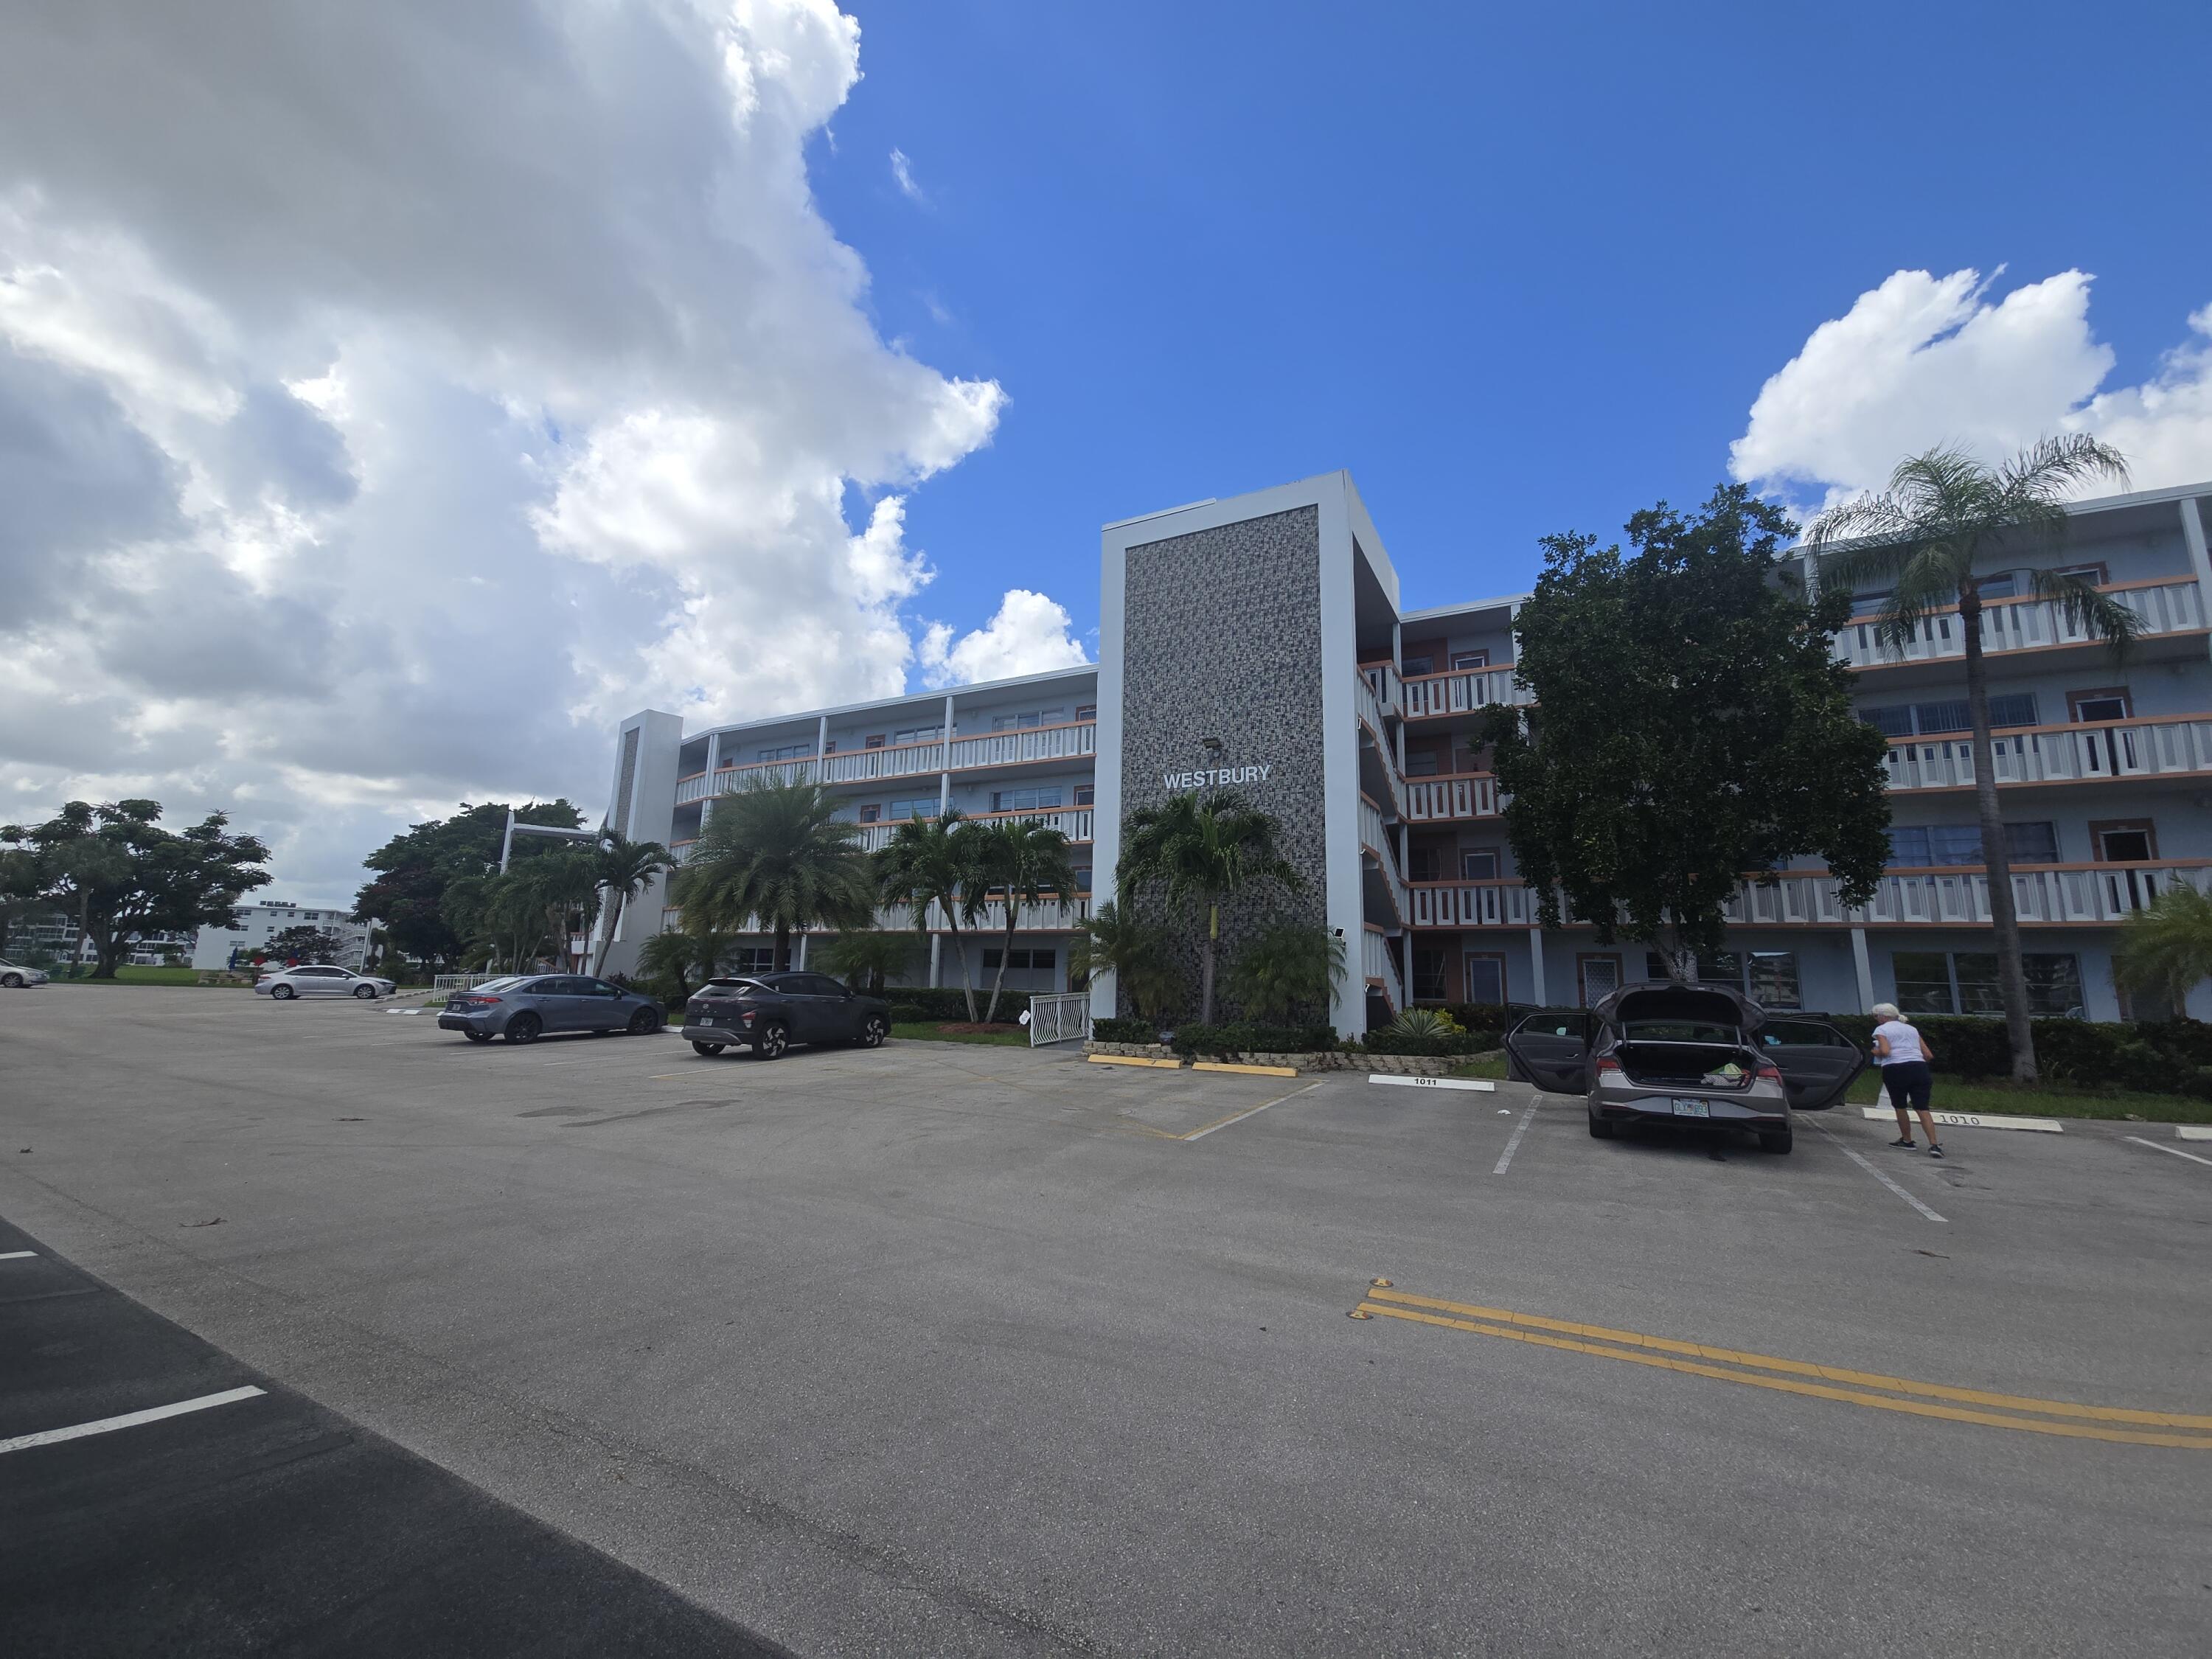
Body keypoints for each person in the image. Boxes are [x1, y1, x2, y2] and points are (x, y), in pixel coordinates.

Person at [1869, 1002, 1942, 1159]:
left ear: (1883, 1017)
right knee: (1923, 1108)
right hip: (1919, 1068)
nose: (1876, 1020)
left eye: (1876, 1016)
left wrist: (1875, 1051)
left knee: (1900, 1105)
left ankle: (1907, 1140)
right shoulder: (1912, 1029)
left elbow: (1886, 1051)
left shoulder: (1881, 1029)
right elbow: (1928, 1055)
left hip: (1895, 1069)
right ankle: (1934, 1144)